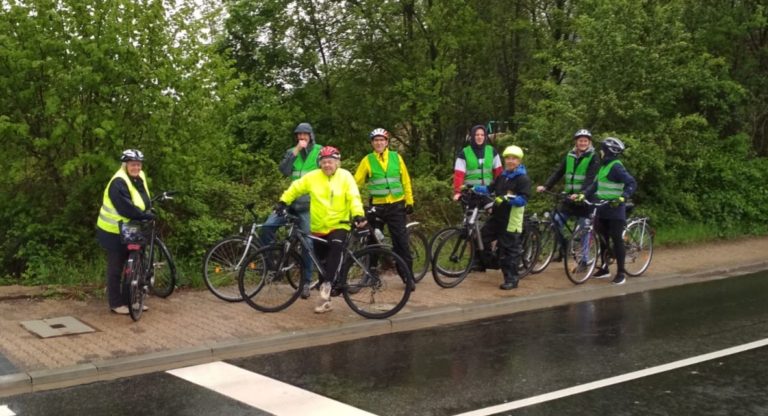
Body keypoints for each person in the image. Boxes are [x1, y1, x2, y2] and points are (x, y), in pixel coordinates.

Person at [275, 146, 367, 313]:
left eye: (330, 162)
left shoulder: (345, 176)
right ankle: (326, 300)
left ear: (337, 163)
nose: (327, 165)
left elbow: (354, 197)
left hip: (339, 224)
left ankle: (326, 286)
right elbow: (296, 187)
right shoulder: (313, 177)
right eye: (323, 162)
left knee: (335, 248)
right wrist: (283, 202)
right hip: (318, 227)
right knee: (322, 263)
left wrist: (358, 214)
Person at [261, 122, 321, 299]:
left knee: (307, 245)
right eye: (299, 135)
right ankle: (272, 266)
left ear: (311, 135)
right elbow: (284, 171)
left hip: (308, 207)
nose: (301, 138)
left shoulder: (319, 151)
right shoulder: (291, 152)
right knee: (267, 227)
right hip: (290, 204)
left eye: (305, 135)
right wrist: (295, 152)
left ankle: (306, 283)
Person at [96, 149, 155, 315]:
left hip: (131, 226)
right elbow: (125, 207)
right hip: (113, 230)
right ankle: (116, 303)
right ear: (125, 165)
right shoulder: (118, 182)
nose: (136, 167)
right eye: (132, 164)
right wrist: (144, 215)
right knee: (116, 266)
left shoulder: (140, 176)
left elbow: (142, 198)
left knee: (136, 262)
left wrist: (147, 211)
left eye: (138, 164)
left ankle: (133, 300)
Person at [353, 128, 414, 283]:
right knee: (372, 241)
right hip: (377, 207)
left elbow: (405, 180)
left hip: (396, 205)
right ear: (372, 143)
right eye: (376, 140)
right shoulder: (367, 160)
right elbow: (355, 183)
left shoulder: (396, 157)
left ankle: (407, 274)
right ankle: (372, 275)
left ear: (386, 142)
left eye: (382, 140)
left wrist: (410, 201)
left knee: (400, 242)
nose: (379, 143)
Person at [578, 137, 637, 285]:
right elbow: (596, 184)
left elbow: (631, 182)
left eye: (602, 150)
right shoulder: (604, 166)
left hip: (615, 209)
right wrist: (584, 194)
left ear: (607, 152)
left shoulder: (616, 166)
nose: (600, 152)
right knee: (602, 237)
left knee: (616, 239)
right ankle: (605, 268)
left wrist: (623, 197)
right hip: (602, 207)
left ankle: (621, 273)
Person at [536, 129, 601, 260]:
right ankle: (564, 247)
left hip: (586, 200)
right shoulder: (570, 155)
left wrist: (581, 193)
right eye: (580, 140)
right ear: (576, 142)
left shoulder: (593, 157)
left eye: (585, 141)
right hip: (569, 198)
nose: (582, 143)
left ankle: (584, 260)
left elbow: (590, 179)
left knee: (584, 229)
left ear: (589, 142)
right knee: (555, 221)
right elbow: (558, 172)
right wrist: (546, 186)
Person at [475, 145, 531, 290]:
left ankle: (512, 279)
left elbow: (523, 200)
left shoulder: (522, 178)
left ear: (519, 161)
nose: (510, 161)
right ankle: (492, 262)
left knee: (509, 250)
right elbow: (490, 188)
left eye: (514, 158)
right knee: (482, 237)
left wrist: (507, 199)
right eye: (508, 158)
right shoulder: (503, 175)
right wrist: (473, 187)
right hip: (497, 216)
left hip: (511, 219)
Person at [452, 125, 502, 201]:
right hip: (469, 193)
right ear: (472, 136)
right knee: (471, 213)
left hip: (488, 193)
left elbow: (499, 173)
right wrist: (457, 192)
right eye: (477, 135)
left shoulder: (492, 151)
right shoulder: (464, 153)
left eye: (482, 135)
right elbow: (459, 175)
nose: (479, 137)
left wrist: (500, 190)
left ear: (485, 136)